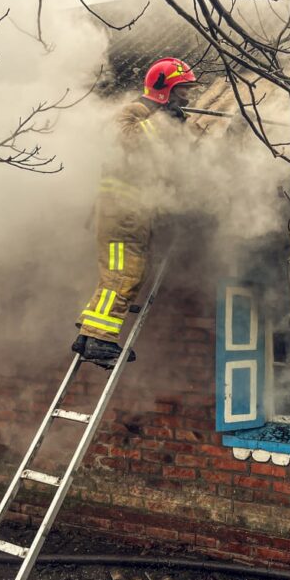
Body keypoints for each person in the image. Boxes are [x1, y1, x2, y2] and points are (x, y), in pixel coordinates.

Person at [71, 56, 199, 366]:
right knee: (124, 273)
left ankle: (88, 335)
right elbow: (128, 142)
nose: (188, 96)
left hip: (131, 212)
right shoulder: (134, 113)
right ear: (163, 89)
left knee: (117, 274)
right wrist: (163, 122)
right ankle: (101, 342)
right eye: (182, 90)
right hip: (122, 212)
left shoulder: (158, 116)